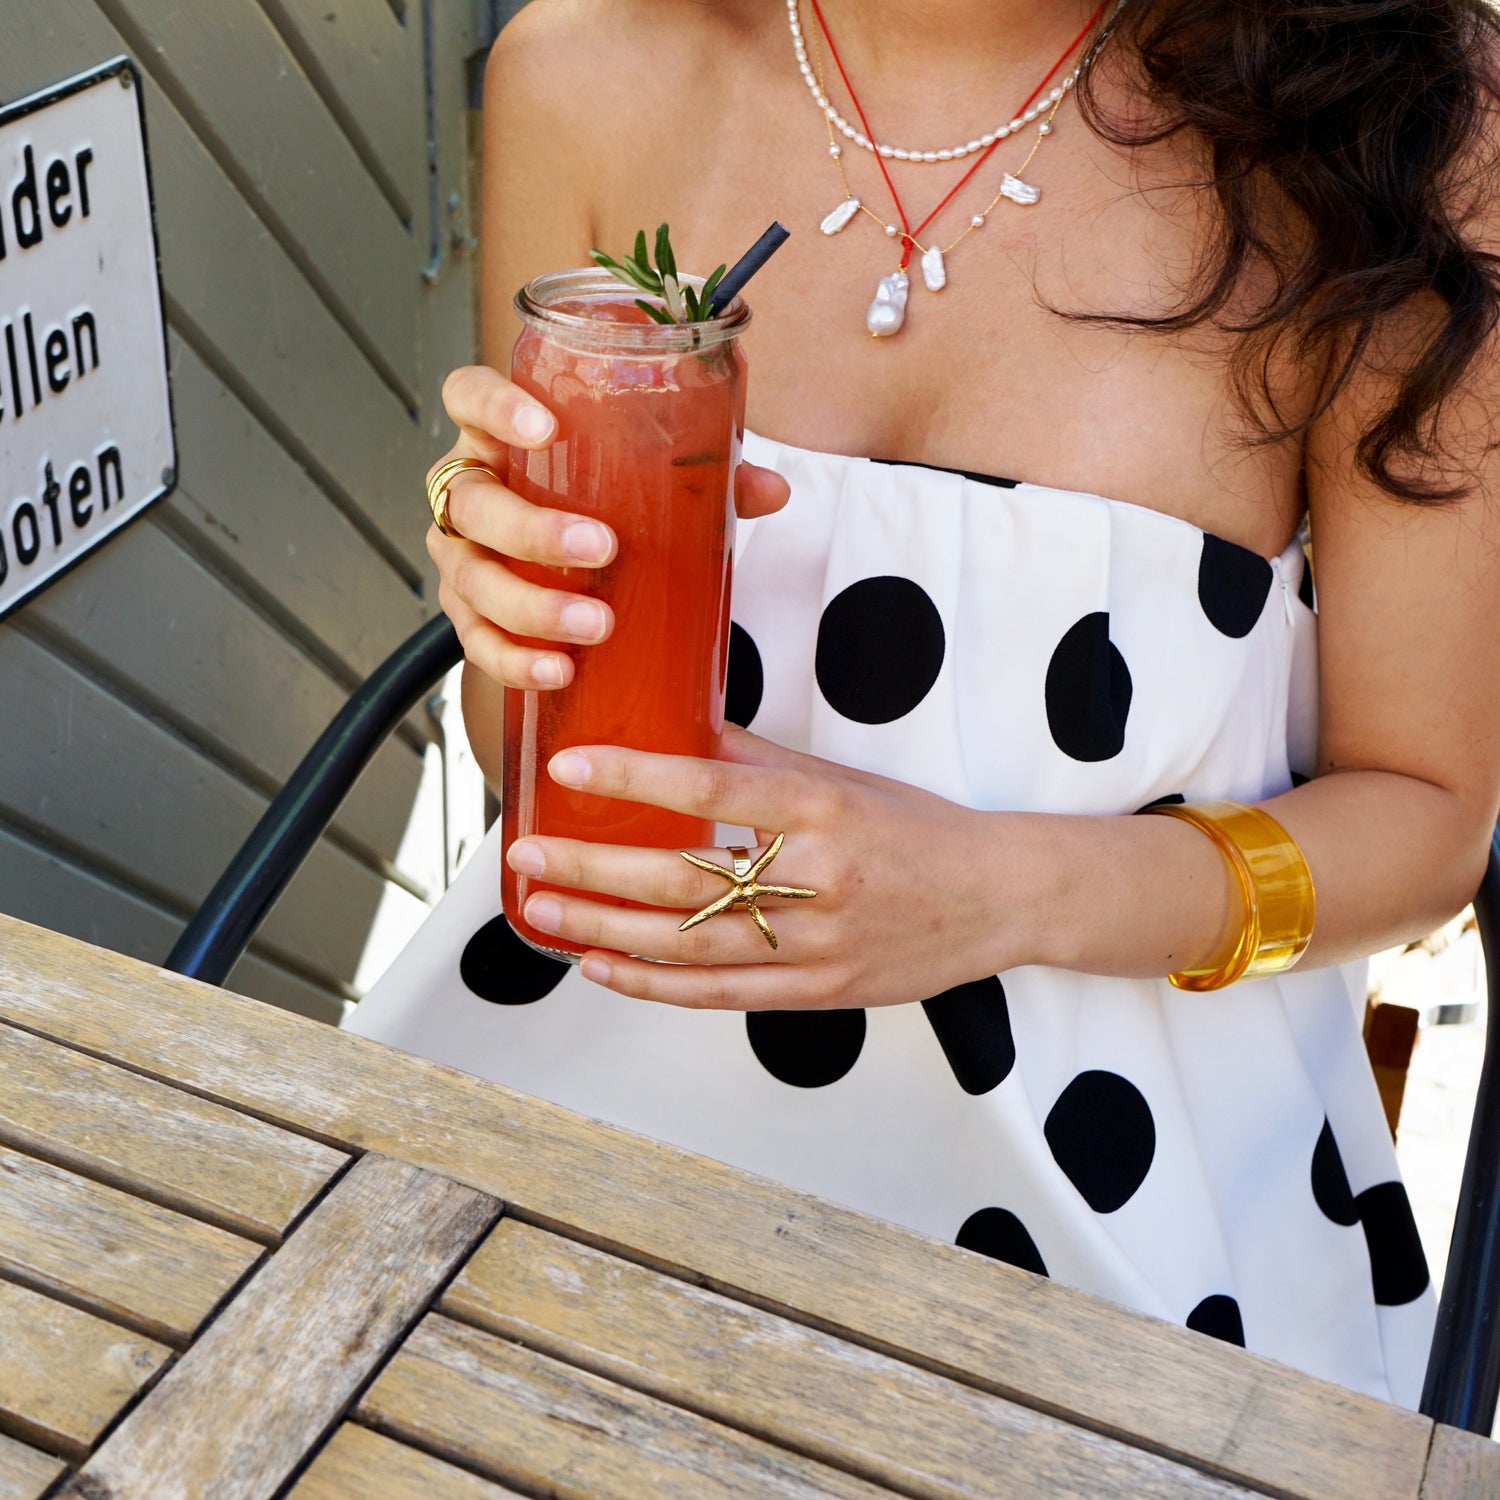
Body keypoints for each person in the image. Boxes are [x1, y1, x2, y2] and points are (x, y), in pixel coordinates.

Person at [344, 0, 1500, 1407]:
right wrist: (514, 613)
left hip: (1120, 1209)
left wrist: (994, 897)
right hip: (581, 1116)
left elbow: (1427, 819)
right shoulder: (581, 70)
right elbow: (530, 761)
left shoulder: (1401, 116)